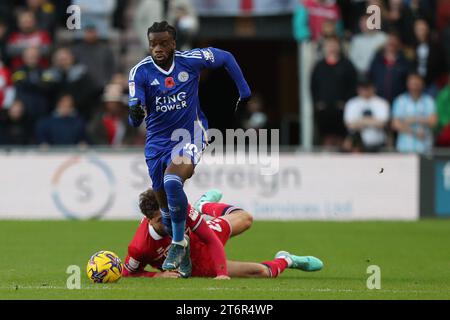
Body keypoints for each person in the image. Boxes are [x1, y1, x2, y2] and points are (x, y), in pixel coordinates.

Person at [128, 21, 251, 272]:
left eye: (163, 43)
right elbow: (134, 121)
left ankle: (177, 243)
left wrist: (244, 91)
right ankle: (183, 242)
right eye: (153, 44)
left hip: (190, 134)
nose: (158, 48)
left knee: (173, 181)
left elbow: (226, 57)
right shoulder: (139, 73)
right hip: (156, 143)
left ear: (173, 43)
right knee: (164, 206)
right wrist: (135, 112)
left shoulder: (191, 60)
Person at [122, 189, 323, 279]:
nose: (169, 222)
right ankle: (287, 260)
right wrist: (157, 276)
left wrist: (222, 273)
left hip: (203, 239)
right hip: (200, 266)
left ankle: (205, 205)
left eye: (170, 215)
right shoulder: (139, 246)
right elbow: (128, 273)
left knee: (246, 218)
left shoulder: (180, 208)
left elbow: (210, 239)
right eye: (160, 220)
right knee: (259, 273)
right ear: (147, 219)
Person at [311, 35, 357, 147]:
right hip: (324, 111)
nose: (332, 47)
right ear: (325, 47)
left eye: (334, 45)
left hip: (342, 110)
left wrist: (346, 103)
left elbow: (353, 86)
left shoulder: (347, 65)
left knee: (341, 138)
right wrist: (318, 103)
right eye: (329, 45)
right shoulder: (319, 66)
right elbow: (313, 87)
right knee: (326, 138)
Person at [392, 73, 437, 153]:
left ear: (422, 84)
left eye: (417, 83)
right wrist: (415, 132)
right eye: (413, 83)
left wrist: (409, 119)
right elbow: (395, 124)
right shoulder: (400, 100)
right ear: (407, 84)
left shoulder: (429, 101)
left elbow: (433, 122)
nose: (415, 87)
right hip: (404, 148)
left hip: (425, 148)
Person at [344, 79, 390, 152]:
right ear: (358, 89)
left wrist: (360, 121)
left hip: (378, 142)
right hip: (357, 145)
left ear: (373, 88)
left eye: (367, 88)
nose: (365, 91)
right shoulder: (351, 103)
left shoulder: (381, 103)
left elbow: (382, 124)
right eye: (363, 89)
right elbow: (349, 124)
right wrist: (372, 121)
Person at [369, 32, 412, 104]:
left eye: (394, 41)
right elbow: (370, 77)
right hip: (378, 100)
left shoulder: (405, 61)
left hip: (399, 102)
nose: (391, 43)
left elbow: (409, 80)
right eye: (390, 41)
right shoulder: (377, 59)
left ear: (399, 44)